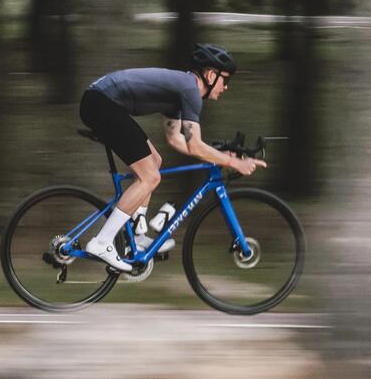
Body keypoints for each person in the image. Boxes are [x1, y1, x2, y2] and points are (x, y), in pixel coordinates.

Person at [77, 43, 263, 271]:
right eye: (226, 79)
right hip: (102, 103)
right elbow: (195, 145)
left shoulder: (181, 92)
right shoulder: (190, 90)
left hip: (101, 102)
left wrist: (220, 156)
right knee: (150, 177)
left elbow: (177, 140)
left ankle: (136, 235)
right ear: (211, 74)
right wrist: (233, 162)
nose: (226, 87)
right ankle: (102, 242)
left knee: (154, 163)